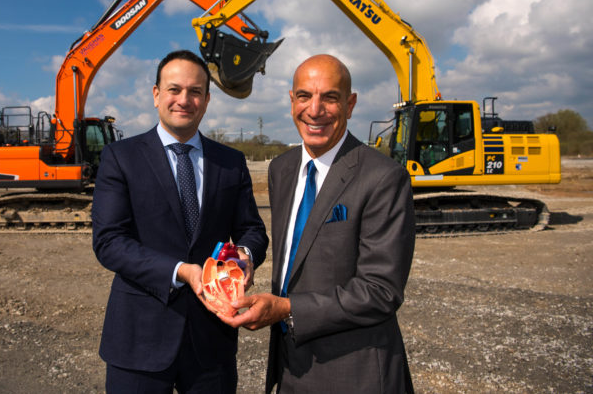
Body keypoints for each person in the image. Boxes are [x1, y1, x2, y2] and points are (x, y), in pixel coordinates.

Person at [219, 54, 415, 393]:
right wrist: (244, 262)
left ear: (350, 104)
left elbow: (381, 290)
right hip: (290, 367)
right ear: (292, 100)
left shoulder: (383, 177)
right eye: (305, 96)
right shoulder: (282, 169)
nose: (315, 109)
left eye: (330, 97)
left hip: (354, 371)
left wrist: (285, 309)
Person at [92, 49, 269, 393]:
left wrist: (245, 255)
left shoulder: (230, 162)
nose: (183, 100)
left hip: (212, 339)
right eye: (174, 90)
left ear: (206, 99)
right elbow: (110, 242)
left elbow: (252, 230)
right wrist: (181, 271)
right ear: (157, 95)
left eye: (195, 91)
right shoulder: (120, 157)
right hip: (139, 338)